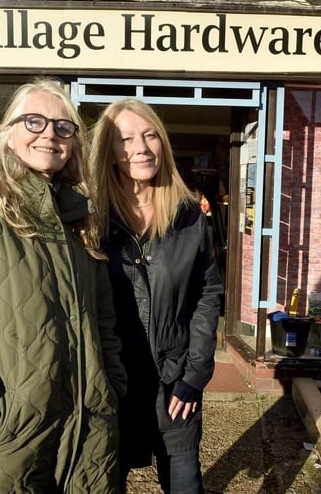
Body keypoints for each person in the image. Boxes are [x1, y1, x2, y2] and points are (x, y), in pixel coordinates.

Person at [0, 77, 127, 493]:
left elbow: (104, 319)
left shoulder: (80, 219)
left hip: (88, 433)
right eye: (34, 121)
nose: (49, 133)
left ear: (73, 142)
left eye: (63, 126)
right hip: (9, 443)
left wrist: (112, 389)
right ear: (8, 132)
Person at [90, 98, 223, 494]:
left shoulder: (189, 216)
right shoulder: (91, 217)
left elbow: (207, 294)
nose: (141, 148)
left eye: (150, 135)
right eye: (125, 138)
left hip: (174, 382)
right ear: (109, 151)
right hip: (110, 385)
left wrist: (194, 375)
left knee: (184, 484)